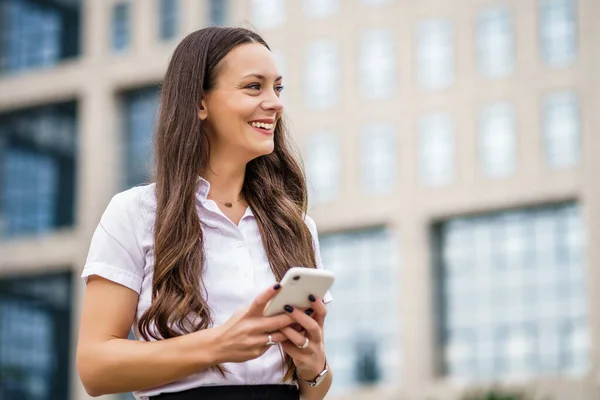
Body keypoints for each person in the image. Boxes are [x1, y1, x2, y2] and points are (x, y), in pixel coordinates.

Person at [76, 27, 333, 400]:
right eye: (253, 87)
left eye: (278, 88)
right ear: (200, 103)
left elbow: (315, 389)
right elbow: (94, 368)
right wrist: (219, 345)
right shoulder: (134, 213)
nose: (275, 103)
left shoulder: (296, 227)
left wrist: (313, 366)